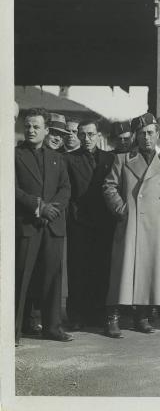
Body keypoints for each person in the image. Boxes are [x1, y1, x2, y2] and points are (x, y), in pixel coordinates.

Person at [102, 113, 160, 338]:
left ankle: (142, 316)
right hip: (131, 224)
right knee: (123, 271)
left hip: (157, 224)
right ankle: (113, 317)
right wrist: (121, 209)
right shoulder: (122, 159)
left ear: (158, 134)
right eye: (141, 134)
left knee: (151, 271)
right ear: (136, 137)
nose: (146, 137)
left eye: (150, 133)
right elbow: (109, 187)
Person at [15, 108, 72, 343]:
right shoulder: (14, 155)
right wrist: (38, 206)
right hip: (28, 225)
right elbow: (11, 187)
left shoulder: (57, 157)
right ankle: (13, 331)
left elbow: (65, 188)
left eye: (36, 127)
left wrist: (52, 209)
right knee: (21, 279)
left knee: (52, 278)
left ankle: (52, 327)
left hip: (52, 225)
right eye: (28, 126)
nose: (31, 130)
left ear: (46, 130)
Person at [63, 119, 116, 330]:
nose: (87, 139)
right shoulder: (69, 159)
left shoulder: (109, 158)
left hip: (104, 223)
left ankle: (99, 313)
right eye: (82, 134)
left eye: (91, 134)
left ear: (98, 135)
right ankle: (76, 315)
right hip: (79, 223)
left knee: (101, 269)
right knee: (78, 270)